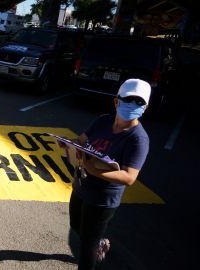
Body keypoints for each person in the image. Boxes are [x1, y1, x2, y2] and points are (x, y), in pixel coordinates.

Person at [66, 78, 151, 270]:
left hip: (102, 199)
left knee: (87, 247)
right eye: (129, 99)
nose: (133, 105)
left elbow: (129, 177)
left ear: (145, 107)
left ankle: (95, 246)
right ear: (116, 101)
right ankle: (99, 240)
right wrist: (68, 143)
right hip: (81, 186)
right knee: (76, 225)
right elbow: (80, 140)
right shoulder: (103, 121)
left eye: (139, 102)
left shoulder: (138, 139)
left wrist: (94, 170)